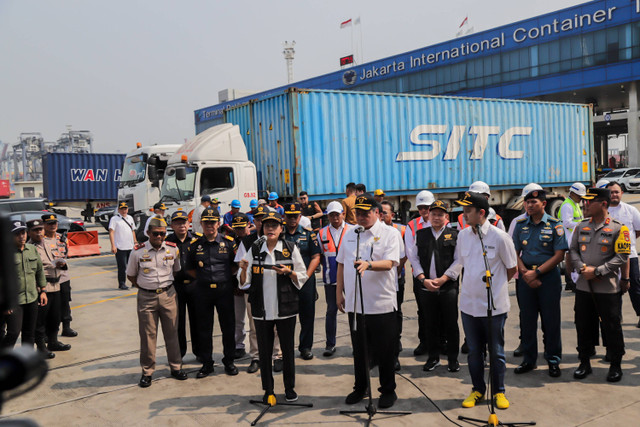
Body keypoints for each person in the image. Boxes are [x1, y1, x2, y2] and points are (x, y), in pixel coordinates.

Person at [446, 192, 517, 410]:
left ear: (481, 213)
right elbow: (462, 263)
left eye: (468, 211)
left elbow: (512, 269)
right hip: (469, 305)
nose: (463, 215)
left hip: (493, 306)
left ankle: (499, 391)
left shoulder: (499, 237)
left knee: (496, 352)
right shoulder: (464, 236)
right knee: (475, 352)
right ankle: (477, 389)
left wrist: (495, 288)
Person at [337, 193, 401, 409]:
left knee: (385, 350)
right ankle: (360, 386)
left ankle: (388, 390)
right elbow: (341, 264)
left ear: (377, 213)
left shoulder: (390, 233)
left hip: (381, 303)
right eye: (358, 213)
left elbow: (392, 262)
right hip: (356, 304)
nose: (361, 217)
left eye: (366, 213)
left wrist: (369, 265)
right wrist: (339, 293)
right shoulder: (350, 234)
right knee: (360, 349)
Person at [238, 211, 308, 403]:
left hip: (285, 309)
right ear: (262, 227)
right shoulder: (254, 248)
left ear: (280, 229)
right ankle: (268, 389)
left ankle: (289, 388)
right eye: (266, 225)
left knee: (287, 350)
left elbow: (302, 275)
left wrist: (289, 272)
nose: (270, 228)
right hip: (262, 310)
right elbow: (243, 283)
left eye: (274, 225)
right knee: (265, 350)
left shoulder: (290, 248)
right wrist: (243, 270)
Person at [570, 187, 630, 382]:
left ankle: (615, 365)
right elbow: (573, 251)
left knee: (612, 326)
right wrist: (582, 269)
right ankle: (584, 362)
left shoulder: (619, 228)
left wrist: (597, 271)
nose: (585, 204)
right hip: (583, 287)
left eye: (589, 201)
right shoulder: (581, 226)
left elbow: (622, 256)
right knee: (583, 325)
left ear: (603, 204)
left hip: (608, 288)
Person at [126, 217, 187, 387]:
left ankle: (175, 367)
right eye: (155, 234)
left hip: (168, 295)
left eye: (162, 234)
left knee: (172, 333)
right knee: (148, 336)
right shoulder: (137, 252)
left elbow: (175, 271)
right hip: (146, 297)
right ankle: (147, 371)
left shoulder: (172, 250)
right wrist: (147, 287)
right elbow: (131, 275)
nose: (159, 237)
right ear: (148, 233)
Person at [512, 190, 567, 377]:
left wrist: (536, 273)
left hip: (548, 277)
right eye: (527, 202)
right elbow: (515, 252)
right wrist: (525, 273)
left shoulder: (554, 225)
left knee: (550, 321)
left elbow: (559, 254)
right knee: (527, 321)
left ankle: (553, 360)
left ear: (544, 204)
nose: (529, 205)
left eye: (533, 202)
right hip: (526, 276)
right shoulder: (520, 225)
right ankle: (529, 360)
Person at [186, 207, 239, 377]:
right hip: (203, 292)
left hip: (224, 291)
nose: (210, 225)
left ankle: (229, 361)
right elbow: (190, 269)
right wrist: (205, 278)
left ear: (219, 223)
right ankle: (207, 363)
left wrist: (220, 278)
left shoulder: (229, 243)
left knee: (228, 328)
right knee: (204, 328)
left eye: (213, 222)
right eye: (206, 222)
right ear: (201, 224)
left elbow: (234, 266)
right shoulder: (194, 246)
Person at [235, 206, 285, 373]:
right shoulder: (248, 242)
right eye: (259, 220)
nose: (263, 224)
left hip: (275, 289)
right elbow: (241, 264)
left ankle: (277, 355)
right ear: (255, 222)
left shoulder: (280, 241)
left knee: (277, 325)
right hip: (254, 291)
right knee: (255, 326)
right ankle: (256, 357)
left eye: (267, 222)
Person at [413, 200, 461, 373]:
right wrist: (422, 278)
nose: (436, 217)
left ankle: (453, 360)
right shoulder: (421, 234)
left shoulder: (455, 235)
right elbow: (414, 259)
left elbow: (459, 260)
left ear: (446, 217)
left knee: (450, 324)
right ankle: (433, 358)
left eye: (440, 214)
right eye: (433, 214)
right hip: (427, 287)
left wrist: (444, 279)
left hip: (448, 287)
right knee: (430, 324)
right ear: (428, 215)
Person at [283, 202, 321, 360]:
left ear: (300, 217)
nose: (293, 219)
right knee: (286, 317)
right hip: (285, 281)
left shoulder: (309, 234)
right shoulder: (280, 235)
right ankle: (286, 348)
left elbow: (316, 257)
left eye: (295, 216)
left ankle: (305, 347)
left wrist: (304, 276)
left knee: (307, 315)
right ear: (284, 217)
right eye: (289, 216)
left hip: (305, 280)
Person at [0, 220, 46, 350]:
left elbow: (39, 270)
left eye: (23, 233)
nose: (22, 236)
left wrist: (43, 291)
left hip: (31, 298)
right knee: (13, 333)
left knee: (29, 333)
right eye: (17, 234)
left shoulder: (32, 249)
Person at [29, 218, 71, 359]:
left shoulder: (50, 242)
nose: (39, 233)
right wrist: (40, 289)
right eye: (35, 230)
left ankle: (53, 342)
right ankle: (41, 347)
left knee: (55, 316)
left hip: (56, 284)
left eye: (40, 229)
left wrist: (61, 264)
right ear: (29, 232)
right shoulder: (30, 248)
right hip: (42, 287)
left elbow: (61, 256)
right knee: (41, 320)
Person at [317, 201, 351, 357]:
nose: (335, 218)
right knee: (331, 311)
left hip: (350, 278)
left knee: (353, 311)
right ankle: (330, 344)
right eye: (332, 215)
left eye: (337, 214)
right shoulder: (321, 233)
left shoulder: (352, 230)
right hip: (330, 279)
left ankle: (357, 343)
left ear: (343, 214)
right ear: (328, 216)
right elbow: (320, 256)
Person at [405, 189, 435, 356]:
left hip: (441, 274)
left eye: (428, 207)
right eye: (422, 207)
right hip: (420, 274)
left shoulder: (442, 222)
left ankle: (442, 342)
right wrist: (421, 276)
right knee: (423, 310)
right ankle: (424, 342)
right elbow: (411, 253)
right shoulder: (412, 225)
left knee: (443, 310)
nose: (425, 211)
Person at [165, 210, 199, 358]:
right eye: (177, 222)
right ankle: (179, 354)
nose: (181, 225)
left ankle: (200, 353)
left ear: (188, 223)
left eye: (184, 222)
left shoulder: (197, 240)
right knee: (177, 323)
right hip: (175, 287)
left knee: (197, 322)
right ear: (172, 225)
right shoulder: (166, 242)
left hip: (195, 287)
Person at [606, 181, 640, 327]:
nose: (613, 195)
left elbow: (638, 230)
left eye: (616, 192)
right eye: (611, 192)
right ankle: (616, 317)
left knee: (635, 287)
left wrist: (627, 244)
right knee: (612, 288)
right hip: (607, 257)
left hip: (629, 256)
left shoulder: (631, 210)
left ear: (622, 193)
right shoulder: (603, 210)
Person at [380, 200, 407, 370]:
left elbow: (404, 255)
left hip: (396, 279)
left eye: (385, 213)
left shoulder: (399, 231)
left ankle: (394, 351)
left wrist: (397, 271)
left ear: (392, 215)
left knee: (395, 315)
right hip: (378, 284)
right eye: (380, 212)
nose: (382, 215)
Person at [42, 214, 77, 338]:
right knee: (49, 306)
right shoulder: (40, 240)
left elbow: (66, 253)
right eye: (49, 223)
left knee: (65, 302)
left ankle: (66, 327)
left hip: (63, 277)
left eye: (54, 223)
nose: (53, 225)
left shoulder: (61, 239)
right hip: (48, 278)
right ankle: (48, 331)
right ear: (44, 225)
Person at [557, 182, 586, 292]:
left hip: (574, 235)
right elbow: (567, 223)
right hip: (569, 236)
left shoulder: (575, 203)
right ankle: (571, 282)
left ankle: (570, 282)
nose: (581, 198)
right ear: (573, 193)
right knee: (571, 260)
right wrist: (582, 225)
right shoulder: (567, 205)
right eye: (579, 196)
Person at [231, 212, 252, 359]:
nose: (239, 231)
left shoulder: (255, 240)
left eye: (242, 228)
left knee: (255, 319)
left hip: (252, 286)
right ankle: (239, 345)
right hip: (236, 286)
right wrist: (236, 284)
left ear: (248, 225)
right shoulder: (230, 242)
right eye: (237, 228)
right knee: (238, 318)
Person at [109, 202, 137, 290]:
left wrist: (135, 242)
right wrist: (113, 245)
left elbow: (133, 231)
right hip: (120, 247)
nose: (124, 210)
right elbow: (111, 232)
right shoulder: (114, 219)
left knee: (132, 266)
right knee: (122, 267)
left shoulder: (130, 218)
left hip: (130, 246)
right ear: (118, 210)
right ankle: (122, 283)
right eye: (122, 209)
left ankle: (133, 282)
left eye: (125, 209)